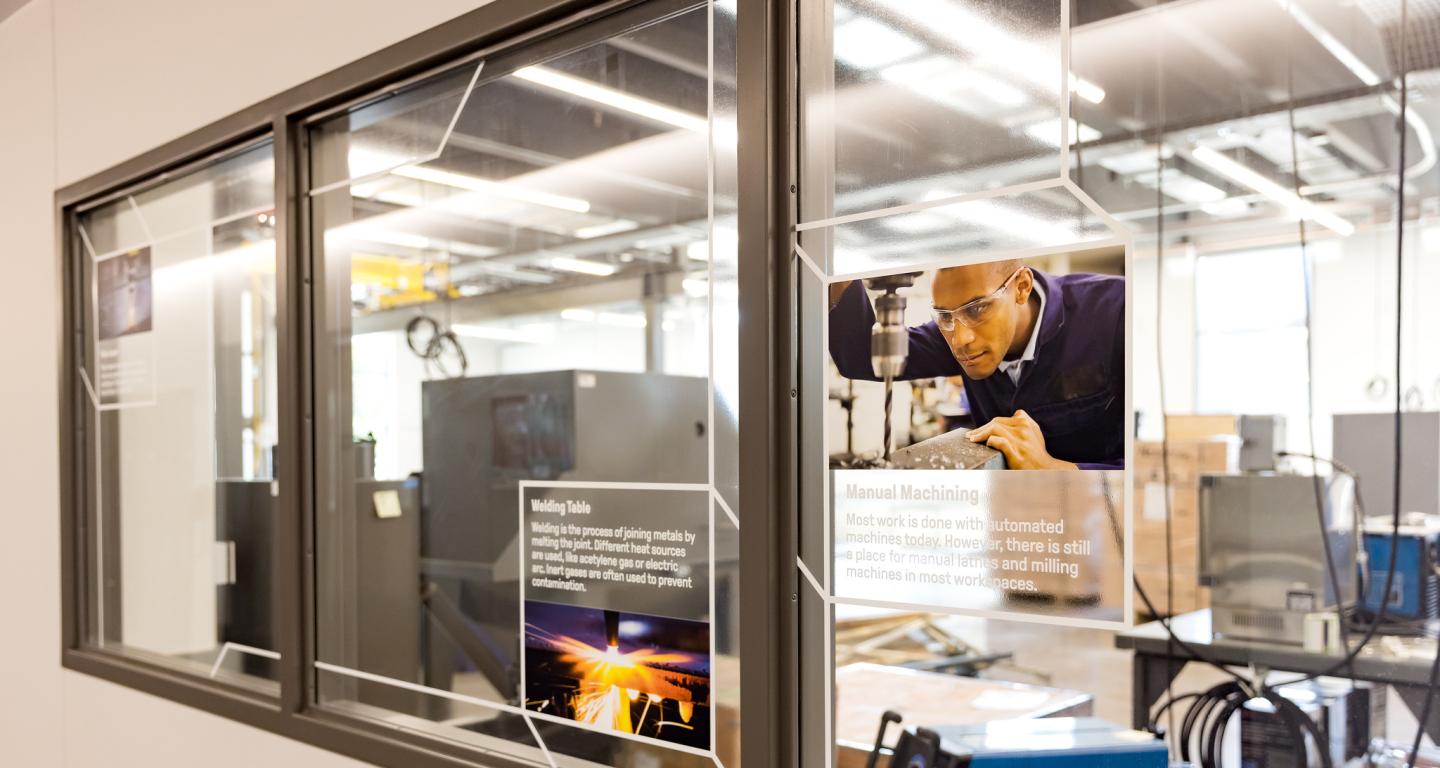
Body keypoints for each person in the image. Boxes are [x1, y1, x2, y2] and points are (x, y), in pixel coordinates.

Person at [828, 259, 1124, 469]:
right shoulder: (958, 331)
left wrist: (1055, 471)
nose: (960, 340)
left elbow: (1152, 472)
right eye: (944, 316)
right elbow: (860, 357)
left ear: (1021, 286)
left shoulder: (1116, 311)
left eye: (978, 308)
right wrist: (838, 257)